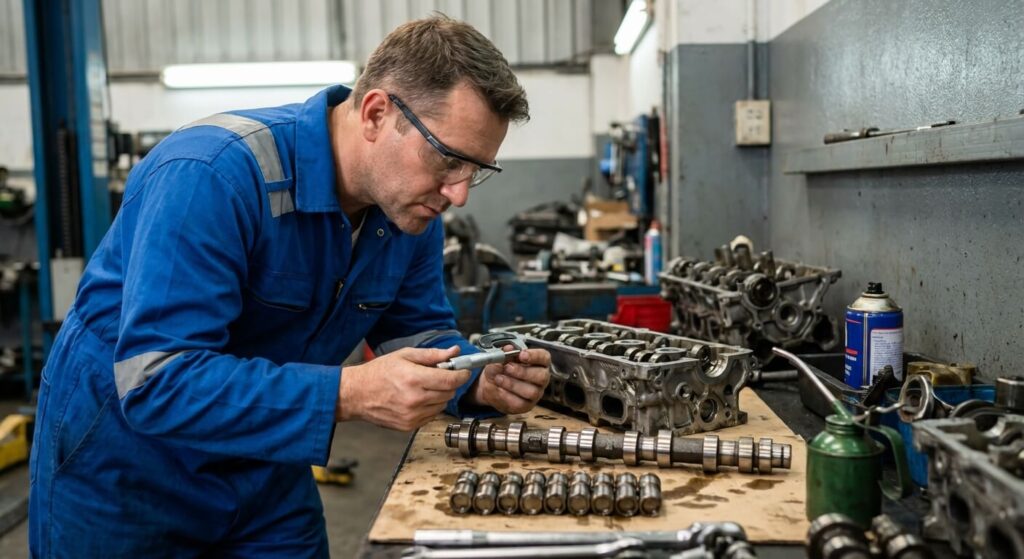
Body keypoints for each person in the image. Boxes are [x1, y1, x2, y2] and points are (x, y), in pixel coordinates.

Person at [29, 15, 550, 558]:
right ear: (376, 113)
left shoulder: (408, 209)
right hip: (126, 475)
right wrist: (351, 392)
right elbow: (157, 381)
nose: (459, 194)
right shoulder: (211, 175)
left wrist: (475, 378)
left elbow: (412, 332)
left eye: (476, 170)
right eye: (448, 159)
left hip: (265, 468)